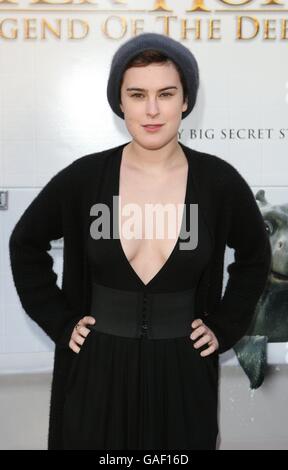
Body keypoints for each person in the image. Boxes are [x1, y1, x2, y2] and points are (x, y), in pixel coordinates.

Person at [9, 33, 271, 450]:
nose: (151, 109)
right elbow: (25, 244)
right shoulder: (83, 179)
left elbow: (256, 257)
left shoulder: (218, 183)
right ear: (120, 101)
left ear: (186, 100)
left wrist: (225, 326)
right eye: (137, 94)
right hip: (94, 372)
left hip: (183, 373)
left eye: (166, 93)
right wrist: (59, 321)